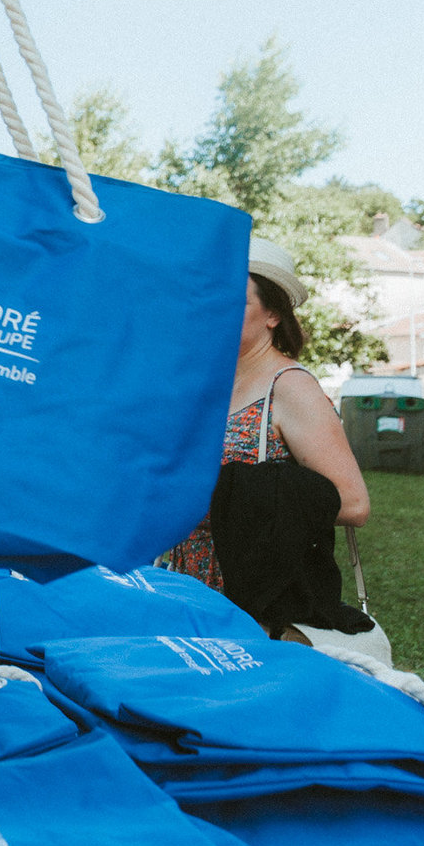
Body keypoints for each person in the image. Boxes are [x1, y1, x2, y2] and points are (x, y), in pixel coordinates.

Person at [165, 239, 373, 632]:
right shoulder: (208, 383)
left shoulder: (290, 386)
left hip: (251, 597)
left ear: (273, 313)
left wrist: (229, 493)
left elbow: (353, 503)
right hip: (183, 582)